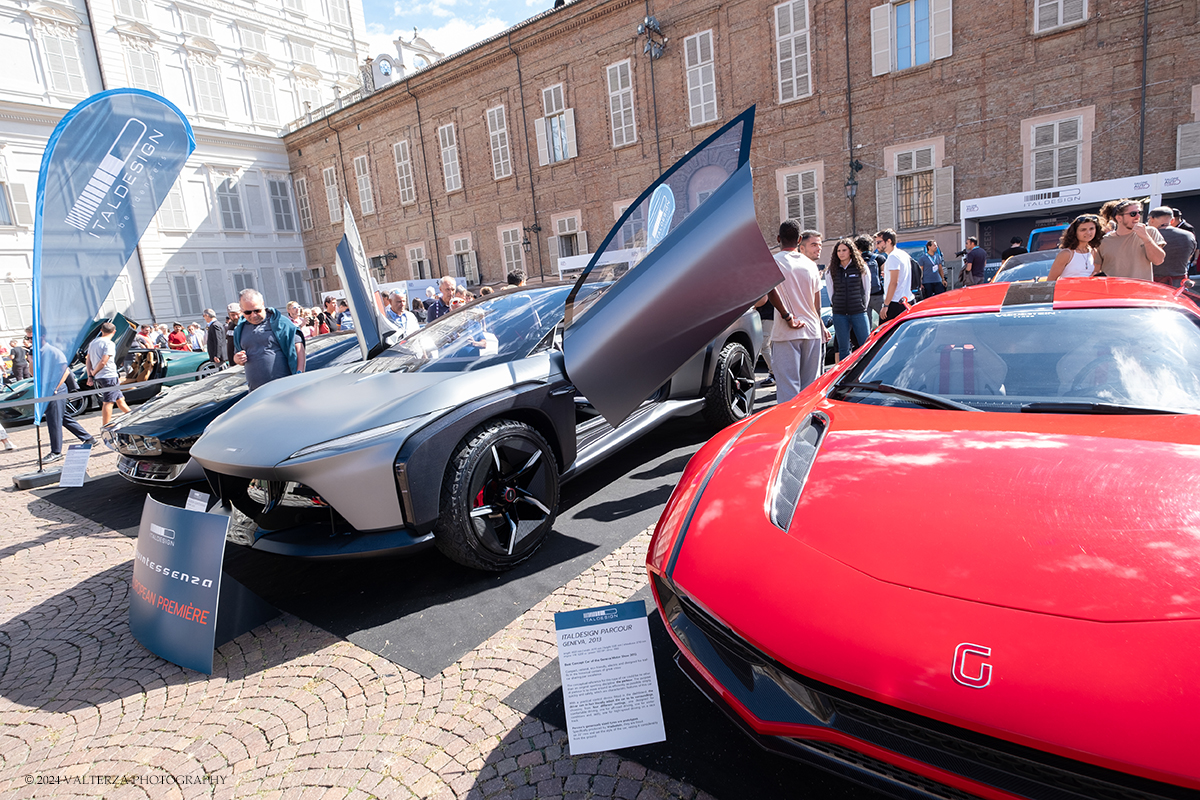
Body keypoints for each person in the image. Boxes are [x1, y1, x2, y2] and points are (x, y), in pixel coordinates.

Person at [765, 222, 828, 403]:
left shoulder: (773, 261)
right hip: (812, 330)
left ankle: (789, 428)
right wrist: (821, 326)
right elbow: (817, 304)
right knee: (810, 388)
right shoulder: (811, 265)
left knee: (788, 389)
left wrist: (787, 316)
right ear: (799, 239)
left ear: (778, 239)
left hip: (787, 332)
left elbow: (771, 290)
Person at [232, 289, 305, 391]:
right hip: (256, 393)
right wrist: (237, 359)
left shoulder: (280, 322)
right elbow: (237, 355)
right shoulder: (240, 329)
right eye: (248, 312)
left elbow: (298, 348)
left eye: (257, 310)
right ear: (241, 310)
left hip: (284, 390)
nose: (253, 315)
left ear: (263, 304)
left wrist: (299, 375)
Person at [40, 338, 95, 462]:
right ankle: (88, 438)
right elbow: (34, 373)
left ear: (41, 336)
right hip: (48, 388)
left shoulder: (53, 351)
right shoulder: (37, 352)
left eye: (30, 337)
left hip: (55, 389)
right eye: (27, 338)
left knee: (53, 419)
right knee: (62, 416)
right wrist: (31, 359)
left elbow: (65, 372)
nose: (28, 340)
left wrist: (55, 388)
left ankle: (56, 451)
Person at [1095, 199, 1165, 281]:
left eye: (1140, 213)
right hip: (1114, 291)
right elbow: (1096, 270)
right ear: (1119, 218)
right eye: (1133, 214)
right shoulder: (1103, 241)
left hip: (1141, 291)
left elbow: (1158, 260)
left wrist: (1146, 238)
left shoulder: (1150, 232)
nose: (1138, 216)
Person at [826, 238, 871, 363]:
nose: (841, 253)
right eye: (839, 251)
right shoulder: (831, 271)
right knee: (843, 348)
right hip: (839, 314)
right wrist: (836, 305)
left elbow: (867, 290)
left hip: (858, 312)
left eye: (844, 250)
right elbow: (831, 292)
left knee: (865, 345)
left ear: (851, 251)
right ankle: (844, 376)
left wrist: (862, 306)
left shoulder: (861, 268)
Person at [85, 321, 131, 427]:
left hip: (100, 376)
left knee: (119, 398)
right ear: (114, 332)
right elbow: (103, 362)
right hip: (108, 375)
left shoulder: (93, 342)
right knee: (108, 402)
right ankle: (106, 425)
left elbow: (88, 360)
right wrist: (93, 372)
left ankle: (131, 415)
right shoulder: (109, 344)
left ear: (101, 330)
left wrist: (90, 375)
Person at [1147, 206, 1196, 288]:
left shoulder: (1148, 236)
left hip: (1154, 286)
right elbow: (1189, 258)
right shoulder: (1189, 235)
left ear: (1151, 219)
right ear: (1172, 220)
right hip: (1180, 286)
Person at [1048, 214, 1104, 281]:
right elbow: (1051, 280)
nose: (1088, 232)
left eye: (1091, 228)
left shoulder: (1093, 251)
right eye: (1083, 230)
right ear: (1074, 232)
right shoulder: (1066, 254)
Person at [877, 229, 915, 321]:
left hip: (895, 303)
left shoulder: (893, 257)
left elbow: (894, 282)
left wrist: (886, 305)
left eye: (879, 242)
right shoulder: (903, 254)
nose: (877, 245)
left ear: (889, 241)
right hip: (907, 299)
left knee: (886, 333)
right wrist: (887, 276)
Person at [855, 235, 886, 329]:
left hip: (863, 296)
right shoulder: (879, 258)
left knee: (866, 324)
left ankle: (868, 342)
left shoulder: (856, 261)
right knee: (886, 320)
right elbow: (885, 276)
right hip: (878, 294)